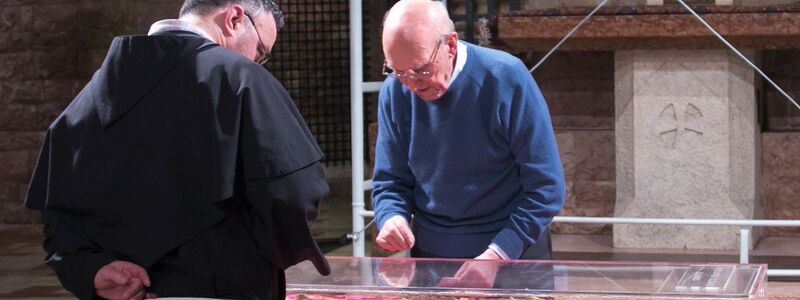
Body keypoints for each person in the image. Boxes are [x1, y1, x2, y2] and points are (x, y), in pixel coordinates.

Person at [23, 0, 330, 299]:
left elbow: (59, 210)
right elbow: (293, 194)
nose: (255, 61)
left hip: (127, 290)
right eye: (260, 51)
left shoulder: (88, 98)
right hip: (224, 286)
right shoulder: (241, 78)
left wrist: (91, 270)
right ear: (235, 19)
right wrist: (259, 256)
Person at [372, 0, 565, 264]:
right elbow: (390, 182)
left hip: (512, 251)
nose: (412, 85)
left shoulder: (506, 77)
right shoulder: (395, 91)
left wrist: (498, 254)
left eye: (421, 70)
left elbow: (546, 187)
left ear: (450, 45)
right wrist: (392, 217)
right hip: (431, 253)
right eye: (398, 72)